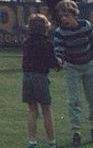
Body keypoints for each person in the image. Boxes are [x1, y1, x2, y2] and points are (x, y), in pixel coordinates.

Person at [53, 0, 93, 147]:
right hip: (72, 67)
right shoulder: (60, 32)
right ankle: (76, 132)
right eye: (62, 16)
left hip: (89, 64)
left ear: (74, 14)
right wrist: (58, 60)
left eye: (67, 15)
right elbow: (59, 49)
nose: (64, 19)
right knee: (74, 100)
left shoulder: (85, 26)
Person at [23, 13, 61, 148]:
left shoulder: (27, 43)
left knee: (32, 109)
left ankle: (32, 141)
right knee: (46, 109)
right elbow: (52, 63)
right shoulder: (48, 44)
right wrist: (59, 63)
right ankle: (51, 141)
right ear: (46, 28)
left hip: (27, 77)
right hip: (40, 77)